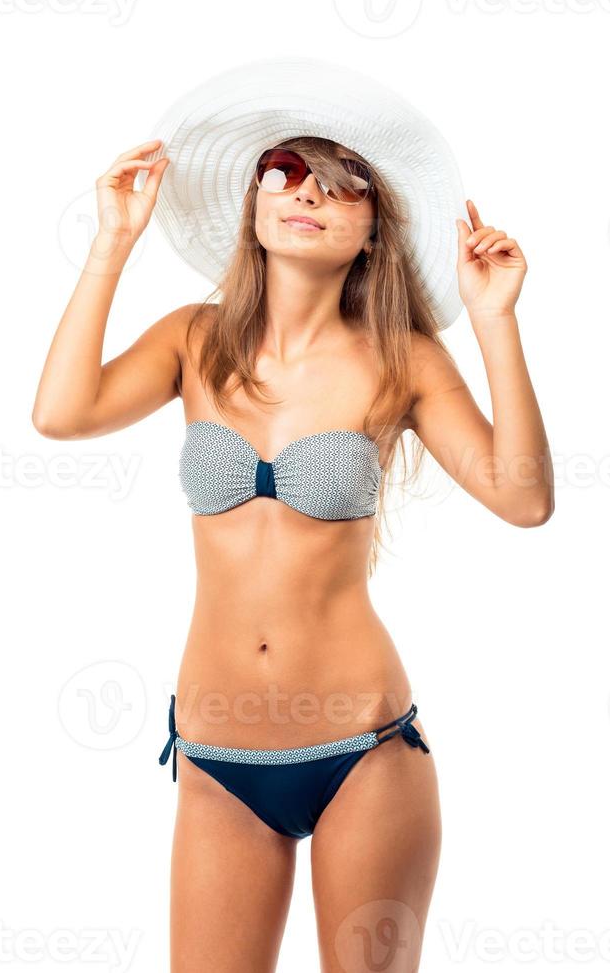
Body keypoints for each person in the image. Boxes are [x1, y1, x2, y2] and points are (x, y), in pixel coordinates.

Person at [32, 60, 554, 973]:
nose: (307, 191)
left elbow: (524, 498)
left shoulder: (404, 358)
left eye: (341, 182)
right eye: (285, 169)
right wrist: (113, 243)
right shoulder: (195, 340)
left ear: (373, 230)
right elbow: (61, 414)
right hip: (217, 754)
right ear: (252, 203)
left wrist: (497, 321)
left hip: (366, 751)